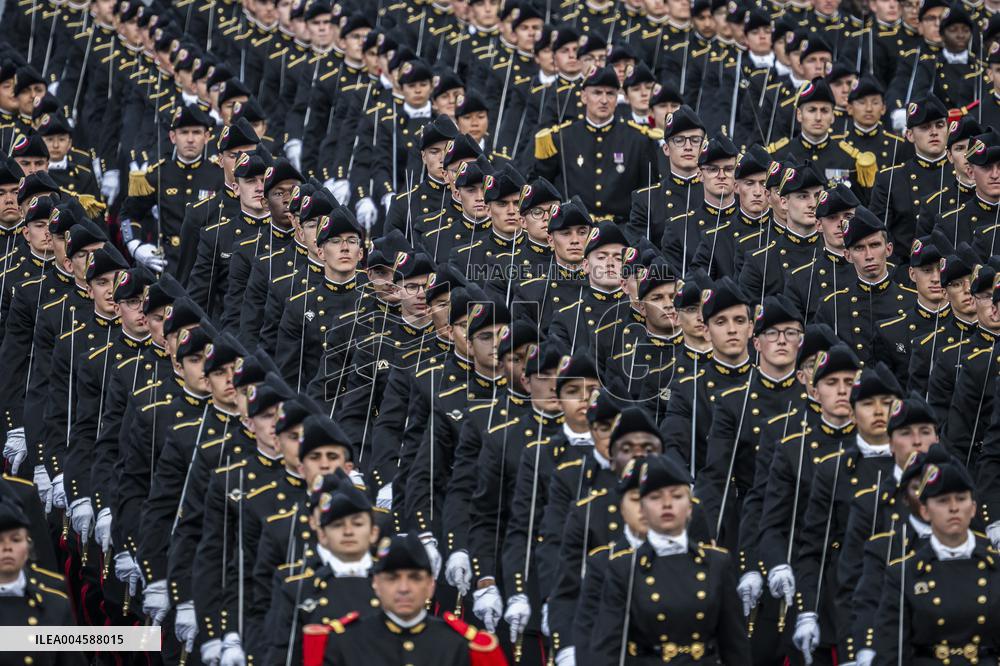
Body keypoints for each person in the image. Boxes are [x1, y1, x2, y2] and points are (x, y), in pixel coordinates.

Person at [590, 453, 750, 665]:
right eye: (655, 498)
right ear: (643, 509)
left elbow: (735, 647)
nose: (667, 504)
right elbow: (607, 649)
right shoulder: (625, 566)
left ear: (690, 507)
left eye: (677, 496)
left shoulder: (717, 563)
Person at [874, 449, 1000, 665]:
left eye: (961, 499)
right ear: (924, 511)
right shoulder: (904, 574)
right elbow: (891, 653)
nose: (953, 508)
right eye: (942, 501)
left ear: (973, 508)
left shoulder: (995, 567)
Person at [321, 531, 507, 665]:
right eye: (392, 578)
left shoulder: (458, 645)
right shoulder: (347, 642)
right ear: (376, 583)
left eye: (415, 578)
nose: (404, 588)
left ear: (430, 585)